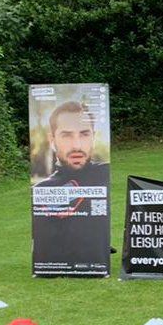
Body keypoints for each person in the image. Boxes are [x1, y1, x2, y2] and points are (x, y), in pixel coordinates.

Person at [32, 101, 111, 274]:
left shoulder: (105, 173)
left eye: (84, 134)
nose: (77, 145)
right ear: (52, 139)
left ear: (93, 136)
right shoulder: (42, 190)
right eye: (66, 135)